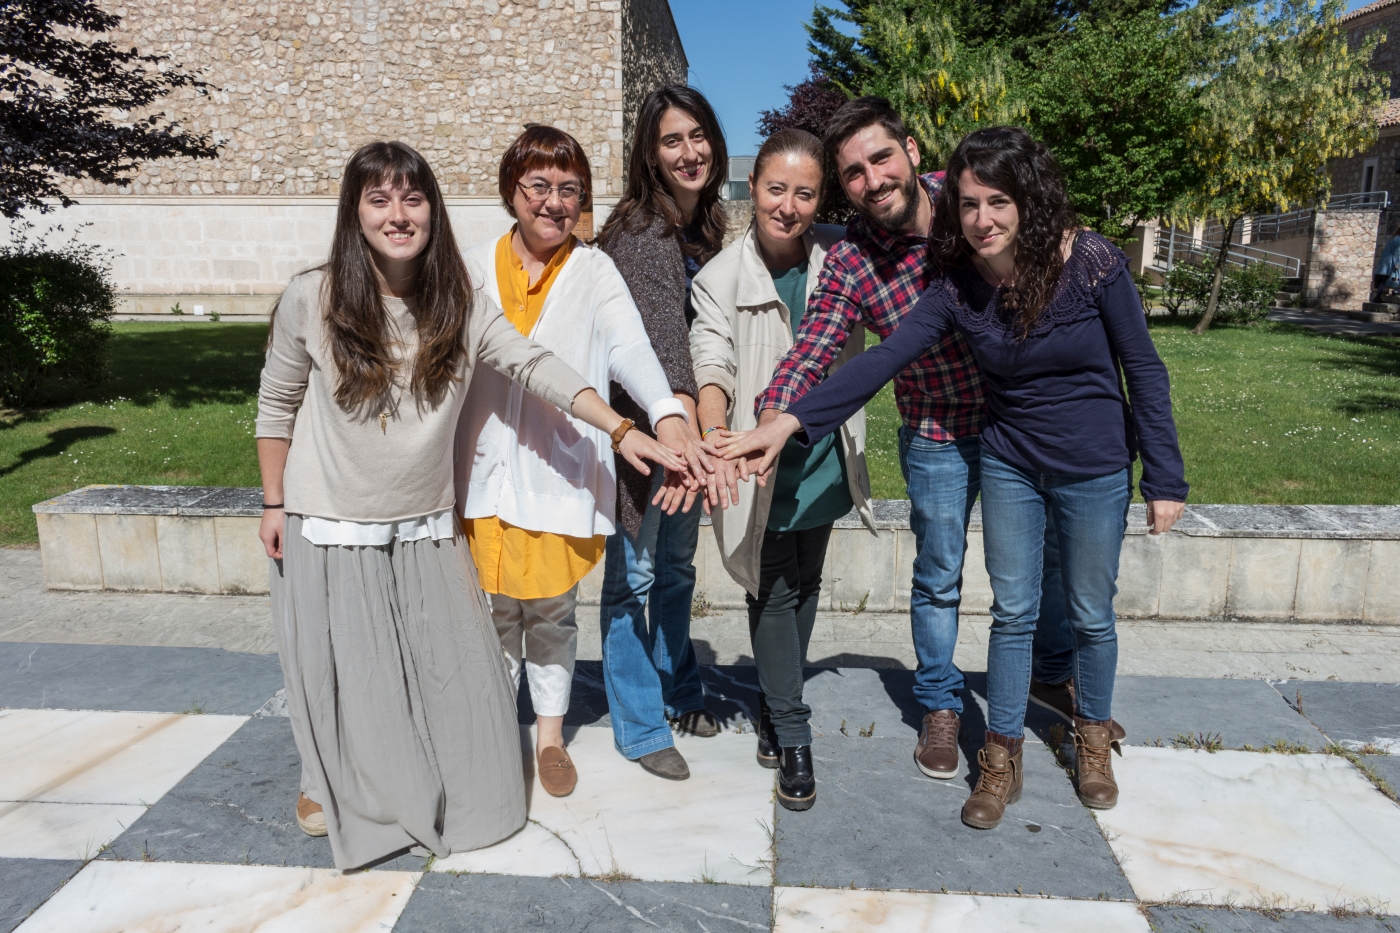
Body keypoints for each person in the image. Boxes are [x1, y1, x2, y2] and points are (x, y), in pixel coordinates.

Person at [719, 126, 1187, 830]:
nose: (982, 218)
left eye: (997, 202)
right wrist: (783, 420)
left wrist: (1165, 474)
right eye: (969, 206)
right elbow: (868, 359)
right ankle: (978, 736)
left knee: (1082, 601)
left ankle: (1082, 723)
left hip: (1069, 451)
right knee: (988, 597)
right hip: (979, 443)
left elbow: (1142, 365)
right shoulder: (932, 279)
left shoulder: (1066, 248)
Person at [255, 140, 688, 869]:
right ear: (354, 213)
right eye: (378, 200)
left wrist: (623, 428)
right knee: (338, 665)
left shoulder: (457, 300)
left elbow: (536, 365)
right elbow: (276, 405)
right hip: (330, 518)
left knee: (435, 667)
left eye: (413, 198)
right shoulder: (313, 296)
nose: (398, 214)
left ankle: (442, 765)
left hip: (426, 519)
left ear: (435, 209)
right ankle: (320, 780)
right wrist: (274, 502)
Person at [749, 96, 1108, 784]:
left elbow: (1053, 240)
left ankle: (1052, 673)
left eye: (882, 158)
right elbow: (815, 346)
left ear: (912, 151)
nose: (873, 179)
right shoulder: (852, 261)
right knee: (939, 571)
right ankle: (940, 702)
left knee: (1054, 560)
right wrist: (775, 418)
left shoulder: (971, 200)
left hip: (1020, 423)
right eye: (853, 173)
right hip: (937, 428)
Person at [456, 125, 702, 798]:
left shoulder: (595, 271)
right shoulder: (472, 267)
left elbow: (630, 349)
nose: (554, 202)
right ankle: (494, 731)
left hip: (557, 471)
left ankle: (550, 738)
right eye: (539, 185)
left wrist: (667, 414)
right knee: (493, 612)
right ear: (512, 190)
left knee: (550, 612)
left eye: (570, 189)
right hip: (483, 473)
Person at [689, 128, 874, 811]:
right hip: (756, 456)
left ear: (821, 198)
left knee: (807, 579)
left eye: (804, 193)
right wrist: (717, 434)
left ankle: (775, 700)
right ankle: (792, 731)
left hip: (823, 452)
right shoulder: (719, 278)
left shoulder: (845, 257)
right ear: (754, 188)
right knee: (770, 588)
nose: (788, 207)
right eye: (775, 189)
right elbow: (712, 362)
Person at [592, 85, 730, 781]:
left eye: (698, 135)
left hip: (683, 432)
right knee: (634, 579)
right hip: (646, 441)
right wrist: (684, 435)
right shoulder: (644, 232)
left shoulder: (700, 225)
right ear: (650, 153)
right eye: (672, 140)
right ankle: (642, 724)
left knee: (675, 571)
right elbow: (660, 344)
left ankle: (679, 684)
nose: (689, 151)